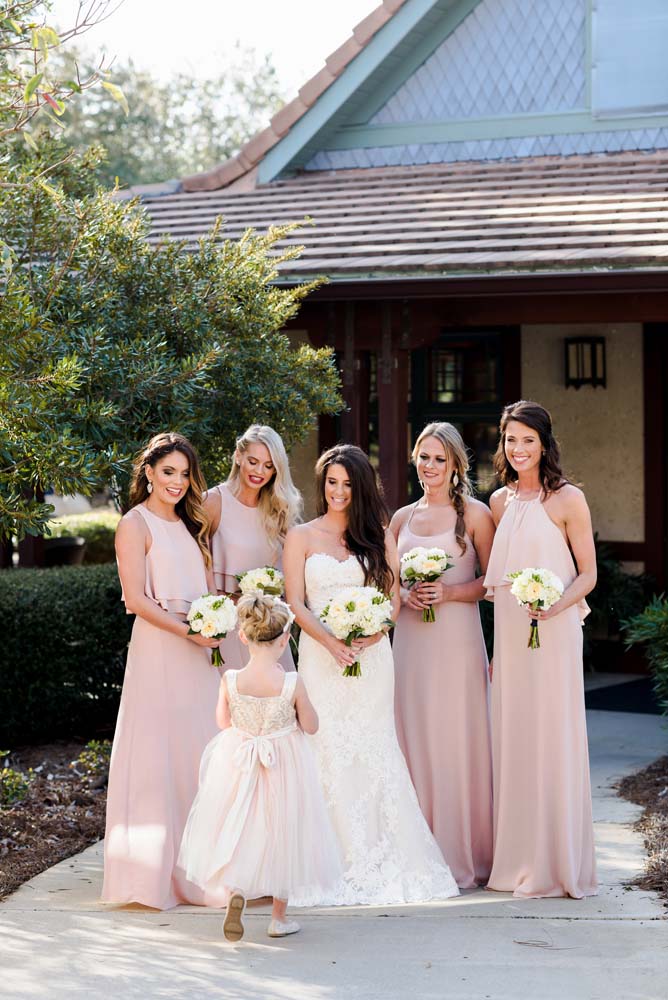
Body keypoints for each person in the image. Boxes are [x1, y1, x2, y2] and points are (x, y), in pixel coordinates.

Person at [283, 444, 459, 906]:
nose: (338, 492)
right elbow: (295, 602)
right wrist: (330, 642)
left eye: (347, 484)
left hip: (373, 659)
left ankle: (381, 859)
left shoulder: (379, 535)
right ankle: (324, 861)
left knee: (372, 747)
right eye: (331, 482)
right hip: (321, 657)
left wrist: (373, 634)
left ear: (361, 487)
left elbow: (392, 597)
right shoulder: (301, 536)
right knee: (324, 748)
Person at [102, 432, 225, 910]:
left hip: (197, 651)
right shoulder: (134, 524)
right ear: (149, 472)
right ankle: (150, 878)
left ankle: (199, 872)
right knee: (157, 755)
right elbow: (136, 599)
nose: (177, 482)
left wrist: (213, 622)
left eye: (185, 474)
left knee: (201, 752)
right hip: (160, 648)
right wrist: (188, 631)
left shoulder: (191, 524)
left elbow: (203, 590)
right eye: (168, 471)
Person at [178, 594, 342, 941]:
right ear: (285, 639)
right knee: (285, 833)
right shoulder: (291, 683)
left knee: (241, 826)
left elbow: (223, 722)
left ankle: (236, 892)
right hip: (284, 766)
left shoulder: (230, 679)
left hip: (240, 763)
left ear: (243, 636)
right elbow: (311, 726)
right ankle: (278, 919)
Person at [484, 400, 598, 899]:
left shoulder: (569, 499)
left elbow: (588, 575)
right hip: (512, 634)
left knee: (553, 734)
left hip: (555, 630)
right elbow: (498, 581)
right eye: (511, 439)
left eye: (528, 440)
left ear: (545, 444)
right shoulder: (499, 502)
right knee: (515, 736)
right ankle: (516, 861)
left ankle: (555, 863)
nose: (519, 449)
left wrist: (555, 605)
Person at [390, 422, 495, 888]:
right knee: (412, 732)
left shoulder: (475, 515)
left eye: (439, 459)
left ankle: (461, 853)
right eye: (423, 457)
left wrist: (450, 593)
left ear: (455, 464)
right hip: (411, 642)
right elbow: (386, 583)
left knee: (455, 736)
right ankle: (416, 851)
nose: (429, 466)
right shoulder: (401, 519)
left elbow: (493, 582)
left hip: (457, 642)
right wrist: (405, 595)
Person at [205, 425, 301, 671]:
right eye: (253, 461)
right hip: (227, 627)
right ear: (238, 456)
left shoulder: (279, 510)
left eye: (268, 466)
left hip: (269, 628)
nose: (259, 472)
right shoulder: (213, 502)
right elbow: (196, 564)